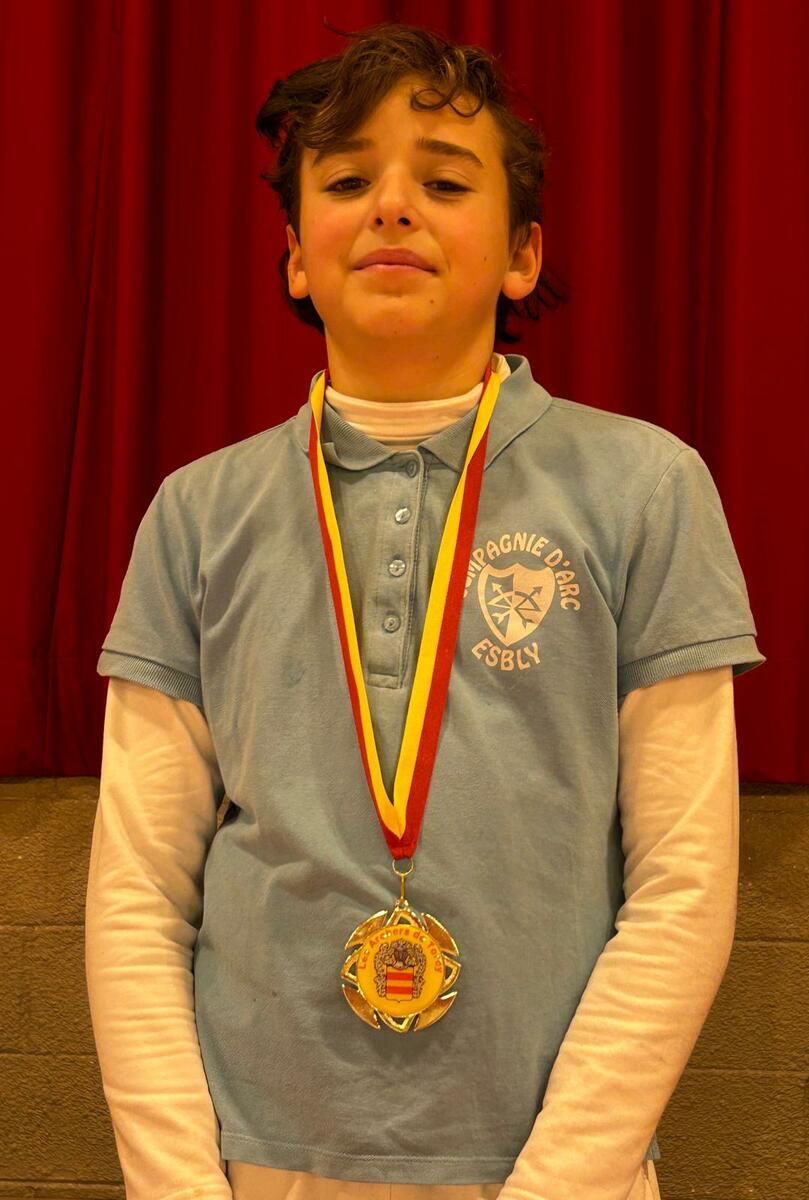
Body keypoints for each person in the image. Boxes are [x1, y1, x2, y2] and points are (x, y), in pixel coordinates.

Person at [85, 21, 765, 1200]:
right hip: (258, 1160)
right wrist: (177, 1186)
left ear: (522, 253)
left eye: (445, 184)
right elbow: (138, 890)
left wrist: (563, 1183)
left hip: (551, 1165)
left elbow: (683, 881)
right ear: (296, 255)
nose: (393, 206)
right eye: (349, 182)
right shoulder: (198, 514)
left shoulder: (646, 489)